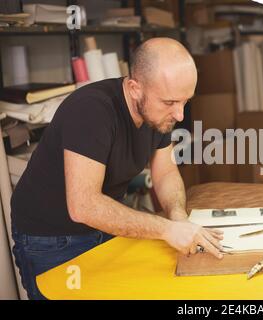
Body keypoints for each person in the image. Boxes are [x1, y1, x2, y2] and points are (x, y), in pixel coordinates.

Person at [10, 38, 224, 300]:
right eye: (170, 102)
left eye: (185, 101)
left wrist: (178, 216)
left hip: (105, 226)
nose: (179, 114)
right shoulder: (91, 110)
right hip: (52, 239)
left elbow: (165, 173)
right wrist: (167, 229)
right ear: (135, 88)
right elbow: (84, 206)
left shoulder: (157, 115)